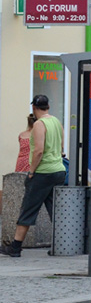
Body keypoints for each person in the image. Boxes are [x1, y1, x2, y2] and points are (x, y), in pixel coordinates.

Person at [1, 96, 68, 258]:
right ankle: (63, 245)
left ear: (34, 107)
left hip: (43, 172)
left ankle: (15, 247)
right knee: (55, 210)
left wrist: (31, 171)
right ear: (48, 106)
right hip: (59, 170)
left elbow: (38, 150)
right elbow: (60, 148)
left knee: (28, 208)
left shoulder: (39, 124)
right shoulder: (57, 122)